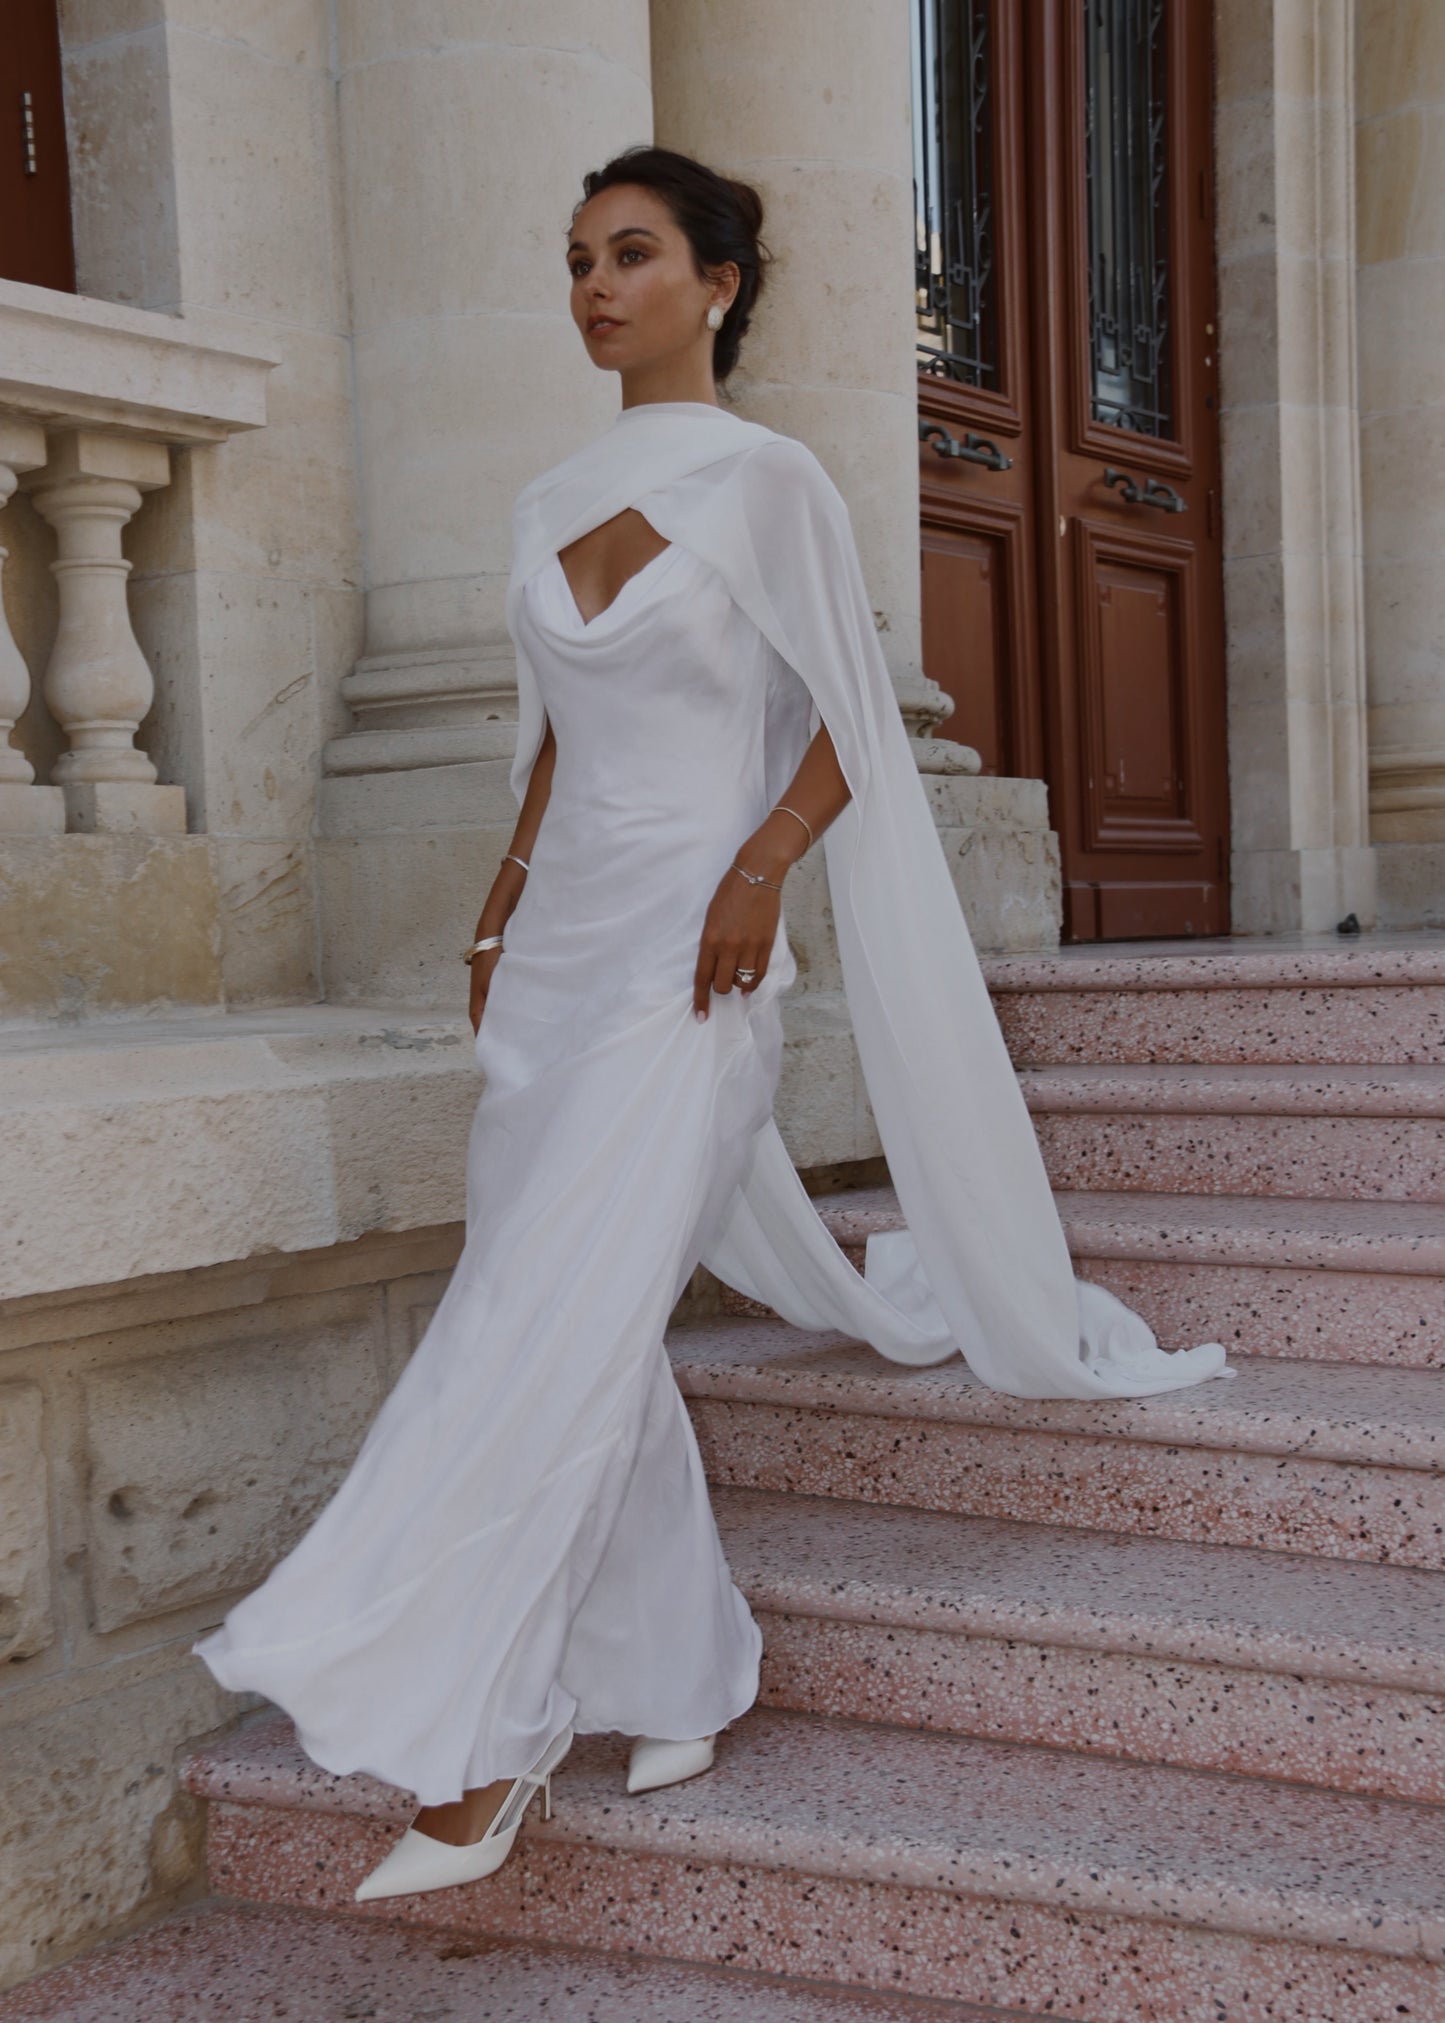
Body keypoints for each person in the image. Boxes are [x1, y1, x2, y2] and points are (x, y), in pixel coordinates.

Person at [192, 145, 1230, 1905]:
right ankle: (686, 1672)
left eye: (634, 255)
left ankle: (484, 1744)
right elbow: (548, 744)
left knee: (546, 1321)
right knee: (561, 1304)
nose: (597, 286)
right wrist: (498, 901)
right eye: (579, 257)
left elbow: (851, 714)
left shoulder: (768, 484)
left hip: (695, 970)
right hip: (558, 964)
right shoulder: (547, 493)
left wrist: (760, 871)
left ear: (718, 286)